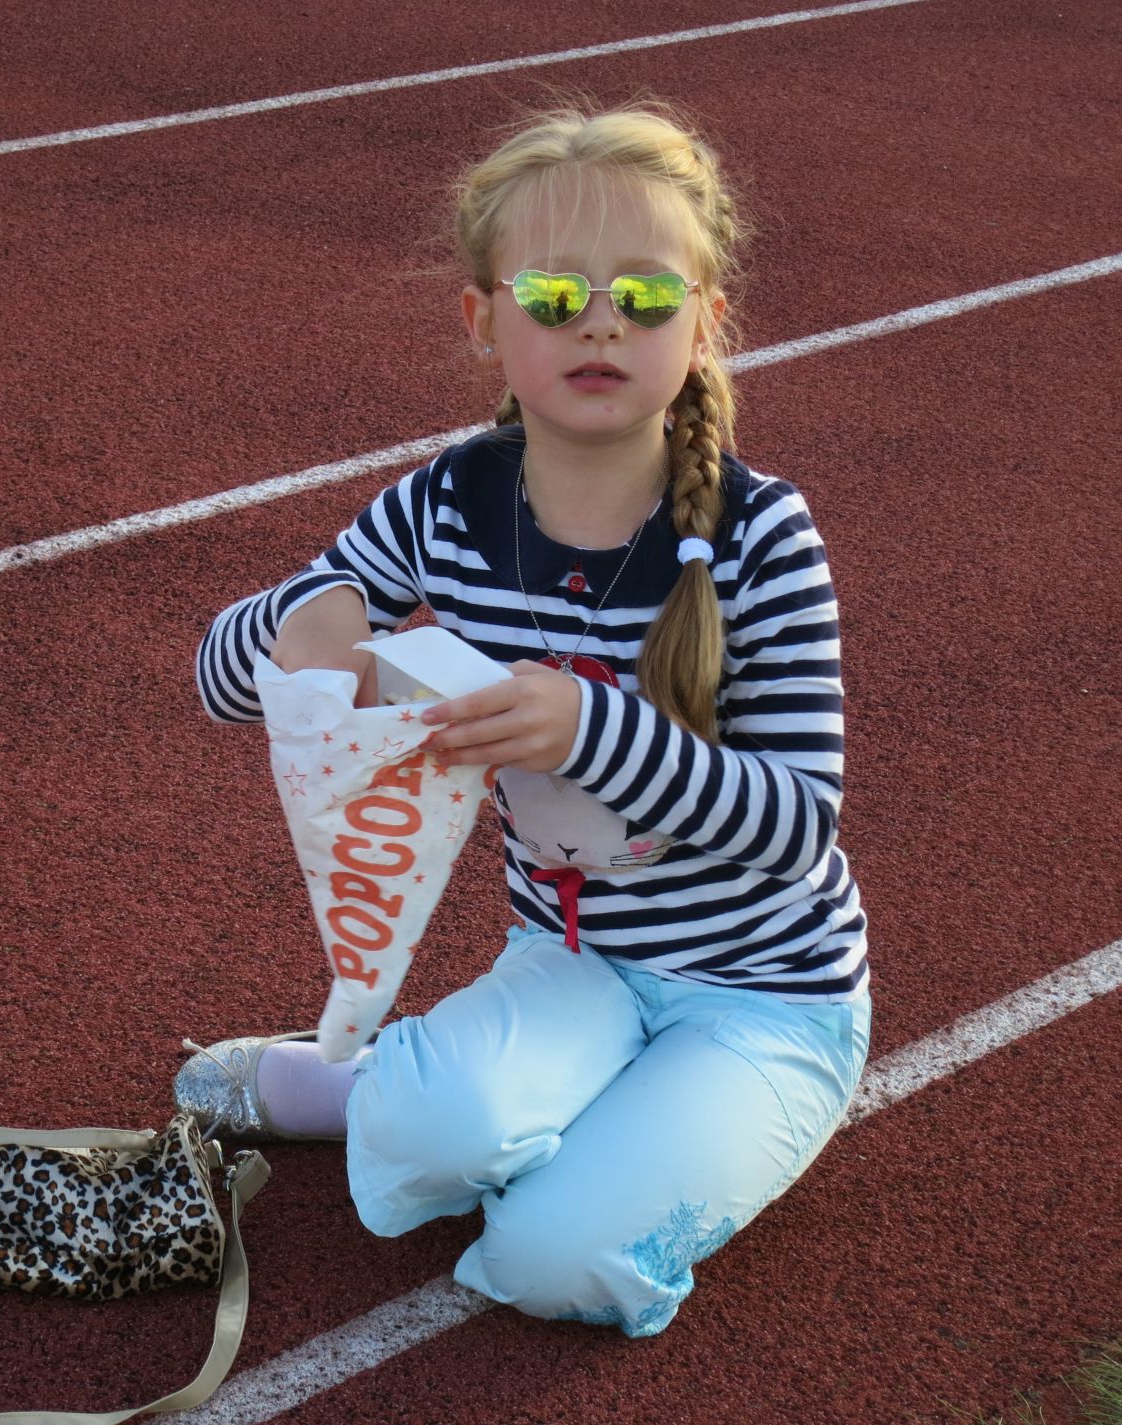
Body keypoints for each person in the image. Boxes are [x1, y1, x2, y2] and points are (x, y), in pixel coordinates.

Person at [183, 103, 871, 1339]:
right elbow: (220, 680)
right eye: (554, 295)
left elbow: (796, 826)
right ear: (484, 322)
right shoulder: (448, 503)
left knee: (556, 1262)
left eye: (644, 295)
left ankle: (617, 1114)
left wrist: (589, 732)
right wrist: (300, 625)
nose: (599, 322)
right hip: (572, 966)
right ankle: (370, 1084)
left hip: (764, 996)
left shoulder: (762, 535)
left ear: (704, 322)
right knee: (431, 1135)